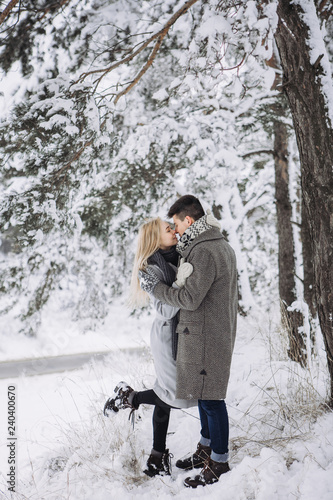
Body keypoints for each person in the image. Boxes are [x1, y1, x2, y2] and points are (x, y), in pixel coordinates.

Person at [139, 195, 238, 488]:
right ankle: (206, 449)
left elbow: (189, 299)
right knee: (205, 398)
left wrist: (157, 289)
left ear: (189, 221)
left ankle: (219, 462)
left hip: (208, 336)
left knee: (211, 400)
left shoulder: (204, 252)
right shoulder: (212, 245)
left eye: (177, 224)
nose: (176, 229)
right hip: (210, 333)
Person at [103, 217, 195, 478]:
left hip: (186, 331)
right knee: (174, 396)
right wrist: (181, 283)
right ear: (156, 238)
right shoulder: (149, 271)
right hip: (168, 336)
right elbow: (165, 308)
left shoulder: (181, 255)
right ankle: (129, 398)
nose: (174, 232)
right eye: (169, 230)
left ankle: (156, 457)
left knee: (165, 396)